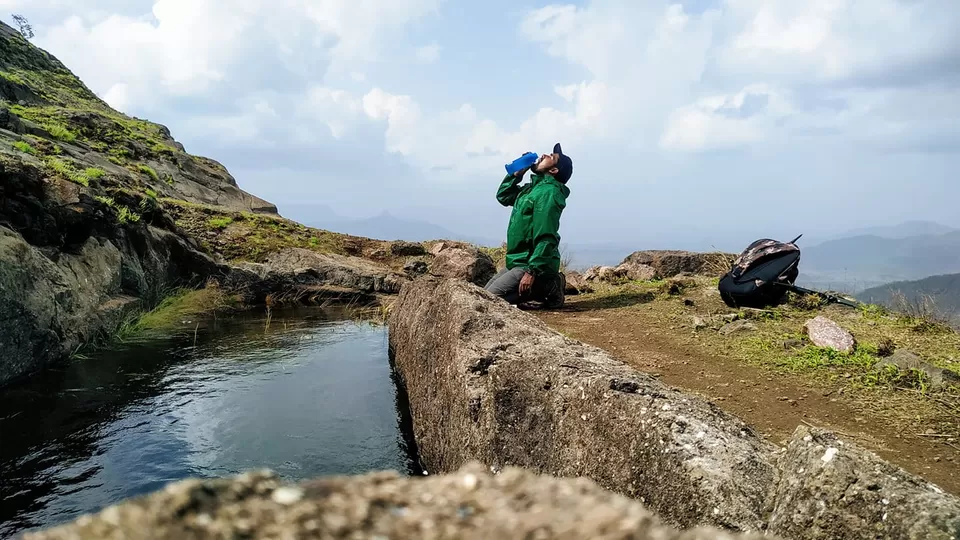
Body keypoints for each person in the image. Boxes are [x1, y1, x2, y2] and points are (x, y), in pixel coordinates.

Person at [484, 143, 573, 309]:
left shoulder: (549, 193)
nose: (545, 155)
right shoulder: (532, 189)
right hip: (517, 261)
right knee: (481, 295)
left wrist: (532, 271)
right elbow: (503, 196)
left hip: (530, 264)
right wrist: (517, 174)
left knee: (488, 303)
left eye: (551, 157)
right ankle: (544, 286)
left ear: (553, 170)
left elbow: (547, 236)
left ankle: (549, 285)